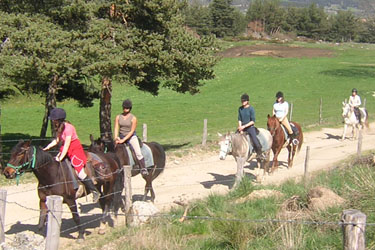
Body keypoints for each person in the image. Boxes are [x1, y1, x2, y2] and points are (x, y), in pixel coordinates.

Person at [43, 108, 100, 202]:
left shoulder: (69, 128)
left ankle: (94, 191)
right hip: (66, 148)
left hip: (75, 149)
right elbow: (57, 140)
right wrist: (47, 148)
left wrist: (60, 157)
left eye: (54, 120)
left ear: (59, 119)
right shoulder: (59, 128)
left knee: (80, 173)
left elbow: (67, 144)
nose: (53, 121)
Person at [114, 99, 148, 176]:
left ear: (130, 108)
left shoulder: (133, 118)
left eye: (127, 108)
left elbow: (131, 131)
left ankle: (143, 168)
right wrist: (116, 137)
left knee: (138, 152)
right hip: (121, 136)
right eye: (124, 108)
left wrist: (123, 140)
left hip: (131, 137)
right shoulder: (118, 117)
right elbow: (116, 128)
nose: (125, 109)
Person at [238, 93, 263, 157]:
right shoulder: (240, 109)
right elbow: (239, 119)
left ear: (247, 101)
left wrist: (244, 126)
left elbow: (253, 121)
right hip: (242, 127)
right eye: (242, 101)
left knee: (254, 139)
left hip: (249, 127)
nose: (242, 102)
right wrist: (240, 127)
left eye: (244, 101)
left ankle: (260, 153)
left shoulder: (251, 109)